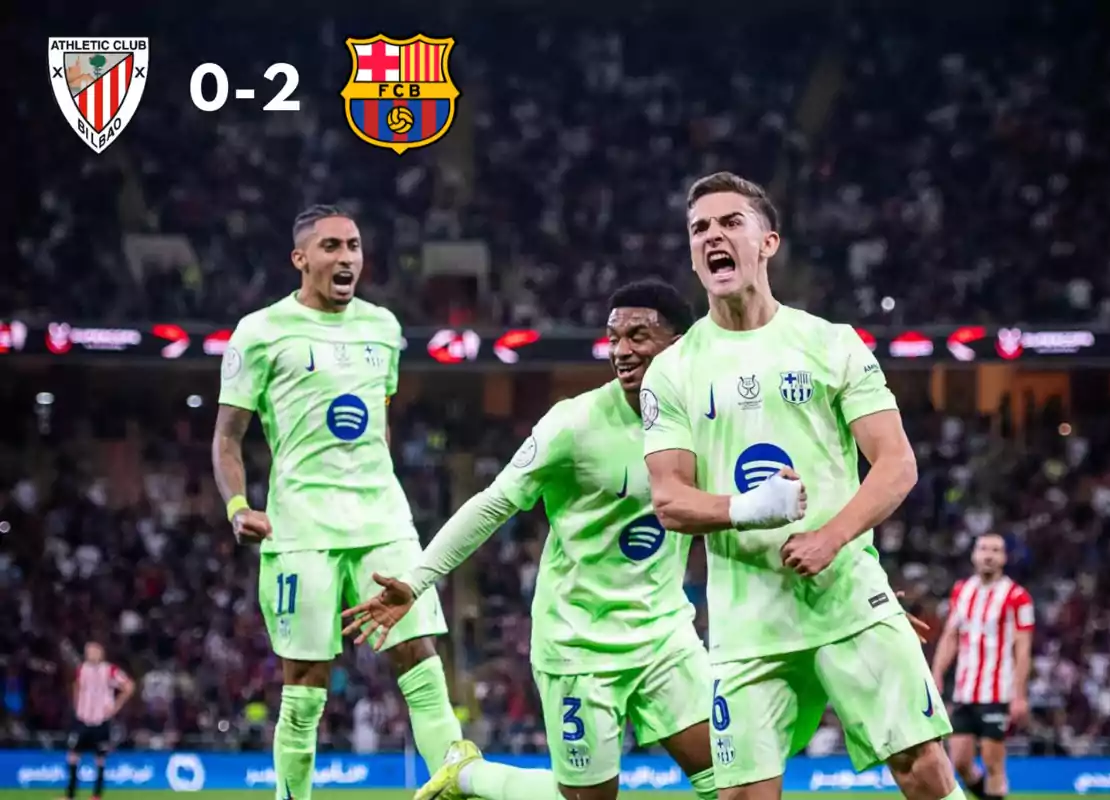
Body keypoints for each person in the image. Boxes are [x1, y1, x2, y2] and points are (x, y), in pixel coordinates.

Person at [638, 171, 961, 800]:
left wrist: (831, 538)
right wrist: (752, 508)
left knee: (921, 769)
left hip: (846, 598)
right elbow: (669, 498)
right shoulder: (672, 371)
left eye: (731, 222)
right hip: (747, 623)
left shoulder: (829, 344)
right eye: (699, 228)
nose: (713, 237)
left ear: (768, 242)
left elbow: (896, 463)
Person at [345, 279, 716, 800]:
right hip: (579, 645)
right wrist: (416, 580)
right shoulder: (575, 422)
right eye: (614, 337)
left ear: (680, 345)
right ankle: (470, 777)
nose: (622, 350)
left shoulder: (705, 421)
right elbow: (493, 503)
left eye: (639, 335)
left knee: (728, 781)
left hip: (665, 637)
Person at [211, 205, 475, 800]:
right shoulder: (260, 331)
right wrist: (236, 506)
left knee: (419, 655)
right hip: (301, 527)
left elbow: (378, 422)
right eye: (331, 246)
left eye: (354, 245)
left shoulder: (383, 326)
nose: (347, 257)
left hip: (381, 519)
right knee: (304, 684)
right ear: (300, 259)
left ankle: (456, 791)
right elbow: (227, 436)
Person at [932, 534, 1034, 800]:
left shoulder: (1017, 597)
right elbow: (950, 636)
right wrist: (937, 672)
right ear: (973, 555)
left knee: (992, 762)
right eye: (984, 549)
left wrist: (1019, 695)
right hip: (965, 691)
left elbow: (1023, 649)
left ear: (1004, 558)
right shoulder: (961, 590)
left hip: (997, 692)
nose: (989, 555)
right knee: (961, 762)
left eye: (996, 550)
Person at [61, 642, 135, 800]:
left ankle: (96, 796)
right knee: (73, 755)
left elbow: (129, 686)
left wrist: (115, 706)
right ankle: (70, 795)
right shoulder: (81, 669)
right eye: (88, 651)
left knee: (100, 758)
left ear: (101, 653)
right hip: (82, 719)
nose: (91, 654)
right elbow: (77, 686)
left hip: (101, 721)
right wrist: (77, 705)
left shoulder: (110, 670)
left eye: (94, 651)